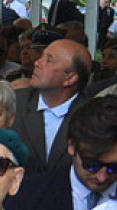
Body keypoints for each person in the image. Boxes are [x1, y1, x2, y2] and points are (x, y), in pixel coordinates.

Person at [13, 38, 90, 172]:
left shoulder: (91, 115)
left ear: (70, 79)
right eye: (41, 56)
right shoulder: (14, 103)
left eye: (49, 60)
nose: (37, 62)